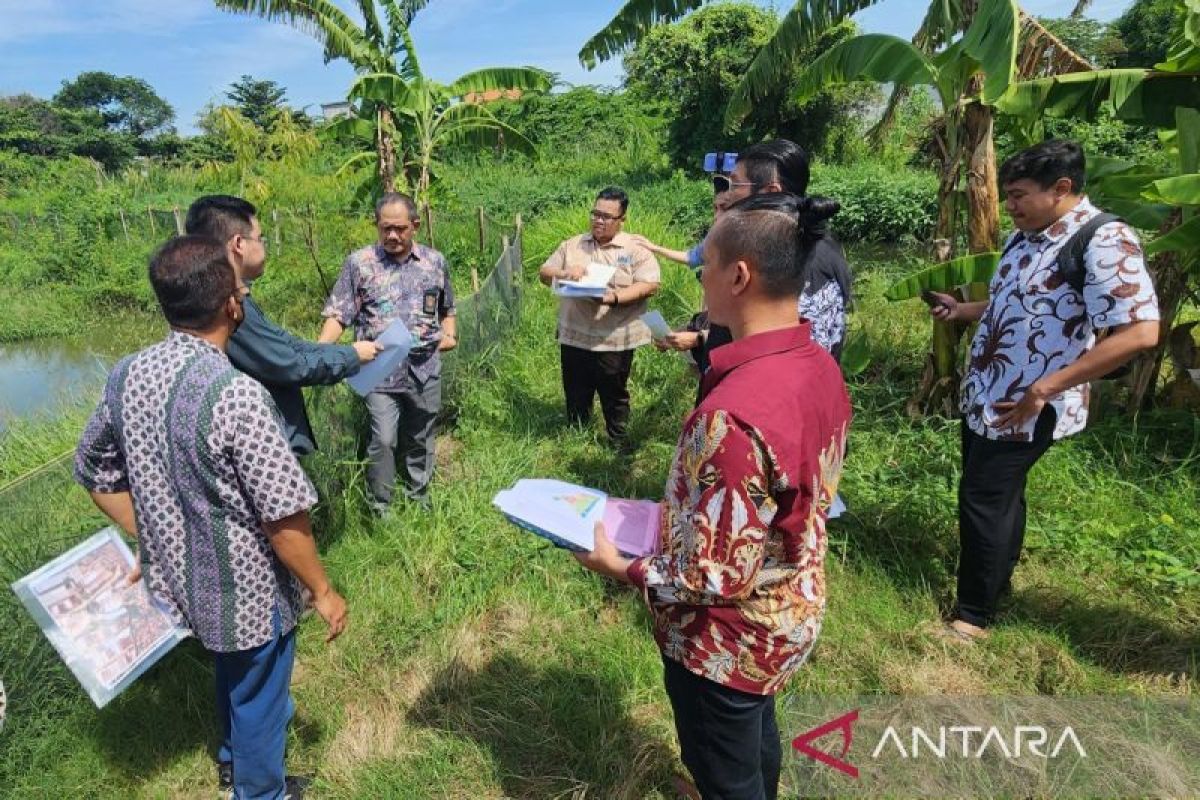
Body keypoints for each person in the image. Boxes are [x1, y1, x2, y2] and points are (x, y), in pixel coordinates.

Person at [574, 193, 852, 800]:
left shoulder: (731, 414)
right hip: (789, 608)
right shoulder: (817, 365)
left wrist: (621, 566)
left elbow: (717, 575)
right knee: (754, 735)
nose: (698, 273)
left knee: (722, 764)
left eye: (706, 262)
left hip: (726, 638)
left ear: (739, 275)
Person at [74, 235, 348, 800]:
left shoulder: (128, 374)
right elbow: (283, 518)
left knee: (230, 668)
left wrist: (148, 533)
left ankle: (230, 763)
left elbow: (95, 471)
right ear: (231, 306)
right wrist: (322, 589)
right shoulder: (236, 395)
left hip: (179, 580)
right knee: (260, 695)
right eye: (240, 286)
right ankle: (260, 792)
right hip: (246, 589)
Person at [925, 140, 1160, 642]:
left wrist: (1044, 389)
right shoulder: (1025, 237)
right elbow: (1012, 304)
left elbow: (1140, 331)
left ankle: (972, 618)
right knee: (999, 494)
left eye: (1018, 195)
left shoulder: (1103, 240)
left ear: (1062, 189)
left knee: (983, 497)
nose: (1008, 206)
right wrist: (962, 311)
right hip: (990, 392)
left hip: (1030, 403)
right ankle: (996, 585)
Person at [185, 195, 381, 456]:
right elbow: (289, 364)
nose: (263, 245)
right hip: (262, 448)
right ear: (239, 244)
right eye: (260, 238)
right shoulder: (226, 307)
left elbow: (285, 343)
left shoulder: (231, 296)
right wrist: (352, 356)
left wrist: (335, 351)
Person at [319, 192, 457, 511]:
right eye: (385, 229)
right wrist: (320, 352)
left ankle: (418, 498)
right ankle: (381, 508)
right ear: (377, 226)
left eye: (400, 228)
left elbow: (447, 307)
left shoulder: (435, 262)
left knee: (421, 435)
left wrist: (450, 334)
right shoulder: (360, 264)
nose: (392, 235)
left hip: (424, 367)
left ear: (415, 225)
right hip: (378, 369)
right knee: (383, 440)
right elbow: (339, 313)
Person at [537, 187, 660, 443]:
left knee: (613, 392)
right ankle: (577, 438)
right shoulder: (573, 245)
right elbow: (544, 272)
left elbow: (649, 285)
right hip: (575, 334)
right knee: (575, 390)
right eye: (595, 214)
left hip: (614, 338)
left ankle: (618, 440)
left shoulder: (635, 249)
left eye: (606, 216)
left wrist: (612, 298)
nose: (598, 220)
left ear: (622, 220)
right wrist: (563, 273)